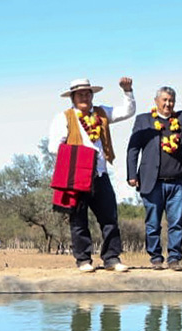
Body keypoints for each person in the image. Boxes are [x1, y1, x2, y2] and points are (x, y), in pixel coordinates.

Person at [48, 77, 136, 273]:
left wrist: (128, 91)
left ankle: (111, 258)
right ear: (72, 97)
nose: (85, 97)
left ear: (92, 95)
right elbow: (54, 147)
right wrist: (80, 154)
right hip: (77, 176)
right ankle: (83, 259)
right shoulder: (64, 117)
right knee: (78, 220)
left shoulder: (102, 113)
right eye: (80, 94)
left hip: (100, 174)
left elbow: (128, 111)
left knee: (109, 217)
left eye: (88, 93)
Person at [126, 85, 182, 271]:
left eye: (171, 100)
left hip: (177, 182)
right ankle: (156, 258)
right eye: (164, 100)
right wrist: (132, 174)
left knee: (176, 223)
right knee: (153, 223)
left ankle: (174, 258)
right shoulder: (144, 120)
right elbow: (133, 149)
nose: (168, 103)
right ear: (156, 101)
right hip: (152, 181)